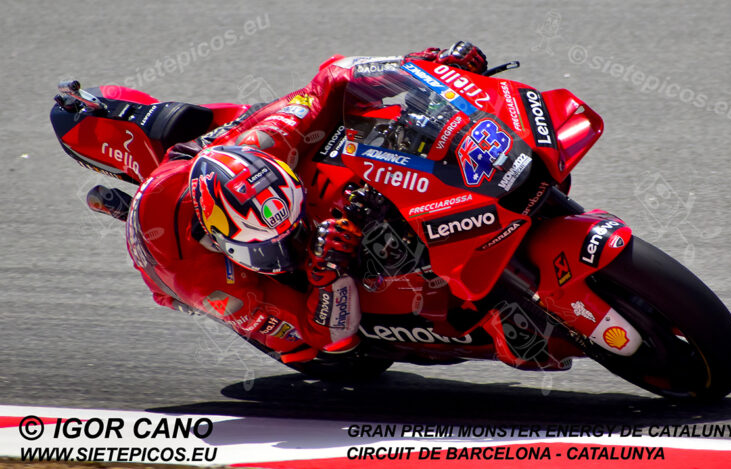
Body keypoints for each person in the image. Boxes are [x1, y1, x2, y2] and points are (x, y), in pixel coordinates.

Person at [118, 42, 488, 364]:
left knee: (328, 119)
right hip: (171, 257)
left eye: (291, 230)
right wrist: (326, 273)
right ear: (220, 241)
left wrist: (422, 65)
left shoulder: (273, 141)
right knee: (305, 347)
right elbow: (323, 334)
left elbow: (333, 77)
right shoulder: (207, 282)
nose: (291, 246)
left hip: (219, 153)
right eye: (271, 244)